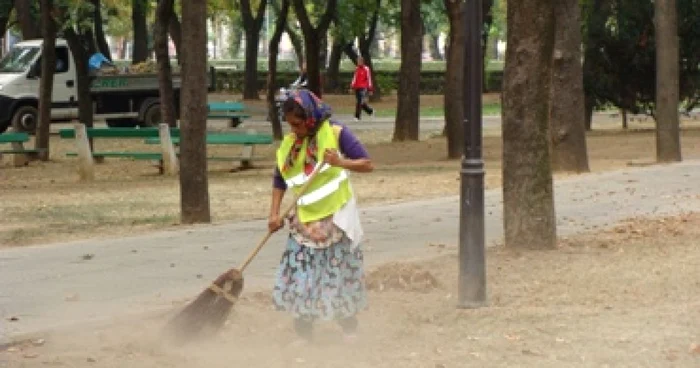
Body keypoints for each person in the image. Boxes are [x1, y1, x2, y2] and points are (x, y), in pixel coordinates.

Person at [269, 88, 374, 345]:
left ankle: (349, 329)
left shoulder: (336, 133)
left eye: (298, 123)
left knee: (337, 278)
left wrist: (340, 162)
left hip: (336, 220)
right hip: (305, 223)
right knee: (301, 278)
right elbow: (280, 178)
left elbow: (367, 164)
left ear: (311, 117)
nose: (294, 129)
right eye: (290, 124)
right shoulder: (290, 144)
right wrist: (273, 213)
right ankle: (304, 334)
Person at [350, 56, 375, 122]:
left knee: (359, 102)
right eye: (357, 61)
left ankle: (357, 117)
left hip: (364, 88)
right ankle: (370, 111)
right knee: (361, 102)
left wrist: (370, 89)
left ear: (362, 61)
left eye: (359, 61)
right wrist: (352, 87)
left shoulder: (366, 69)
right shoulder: (357, 69)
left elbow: (369, 79)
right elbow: (354, 79)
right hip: (357, 88)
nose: (358, 62)